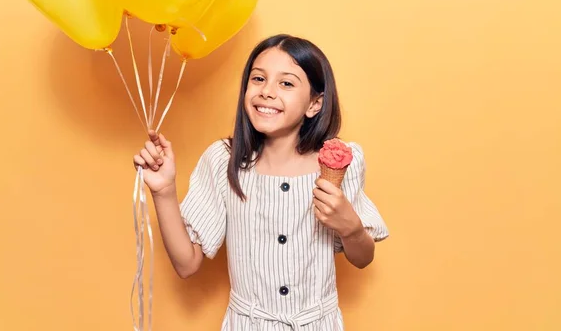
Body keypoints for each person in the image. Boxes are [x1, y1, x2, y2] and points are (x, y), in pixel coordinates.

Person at [133, 34, 389, 330]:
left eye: (287, 83)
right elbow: (186, 264)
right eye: (258, 79)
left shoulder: (342, 160)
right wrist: (164, 190)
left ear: (315, 104)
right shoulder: (223, 161)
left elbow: (362, 259)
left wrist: (351, 227)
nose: (267, 92)